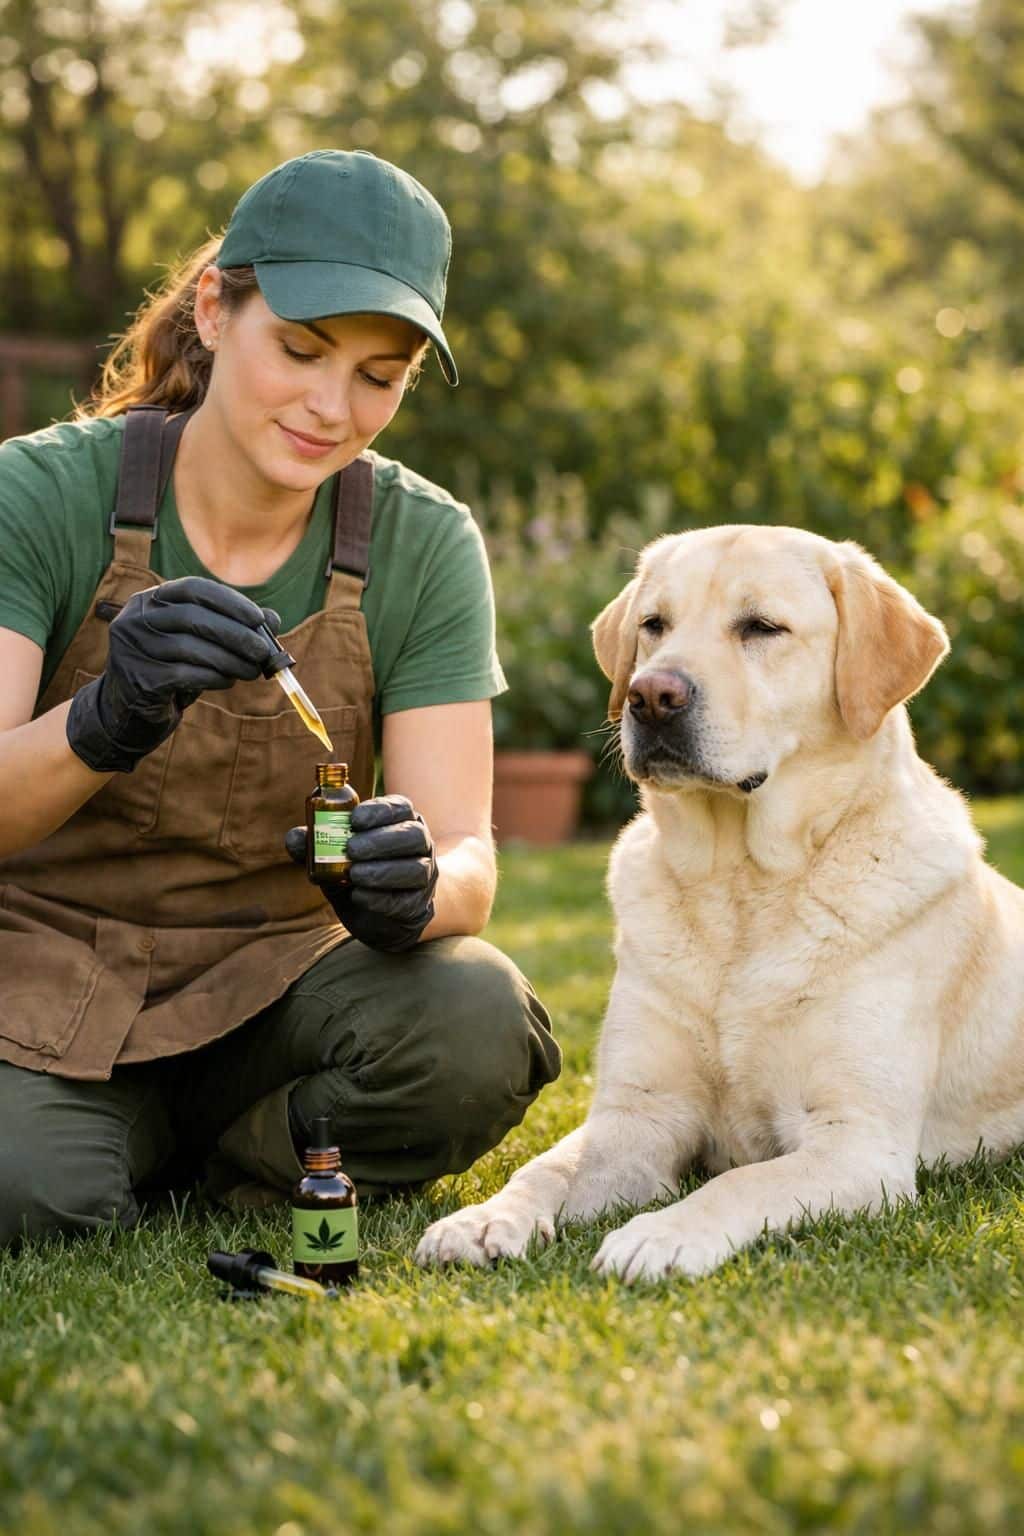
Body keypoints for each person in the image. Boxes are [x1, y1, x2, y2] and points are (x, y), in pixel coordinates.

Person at [0, 149, 560, 1246]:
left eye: (377, 376)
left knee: (478, 1023)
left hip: (281, 987)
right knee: (30, 1193)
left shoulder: (425, 541)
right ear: (214, 309)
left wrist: (413, 894)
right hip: (44, 972)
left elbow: (467, 857)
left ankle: (243, 1156)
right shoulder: (38, 493)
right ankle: (110, 1146)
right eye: (299, 349)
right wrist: (103, 719)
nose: (328, 407)